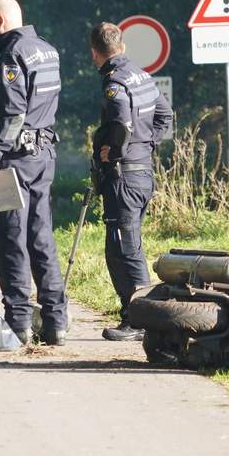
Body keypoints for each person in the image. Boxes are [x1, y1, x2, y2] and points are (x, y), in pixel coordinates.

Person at [0, 0, 68, 345]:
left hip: (15, 158)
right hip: (44, 155)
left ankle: (19, 323)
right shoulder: (47, 49)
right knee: (41, 236)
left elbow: (14, 114)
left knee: (11, 238)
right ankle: (56, 322)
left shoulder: (12, 55)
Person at [90, 22, 172, 342]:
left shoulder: (115, 82)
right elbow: (165, 116)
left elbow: (122, 120)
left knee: (126, 249)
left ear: (95, 53)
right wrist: (146, 145)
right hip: (143, 173)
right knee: (124, 246)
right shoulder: (142, 76)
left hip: (124, 176)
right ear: (121, 46)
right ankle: (134, 313)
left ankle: (140, 320)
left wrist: (120, 151)